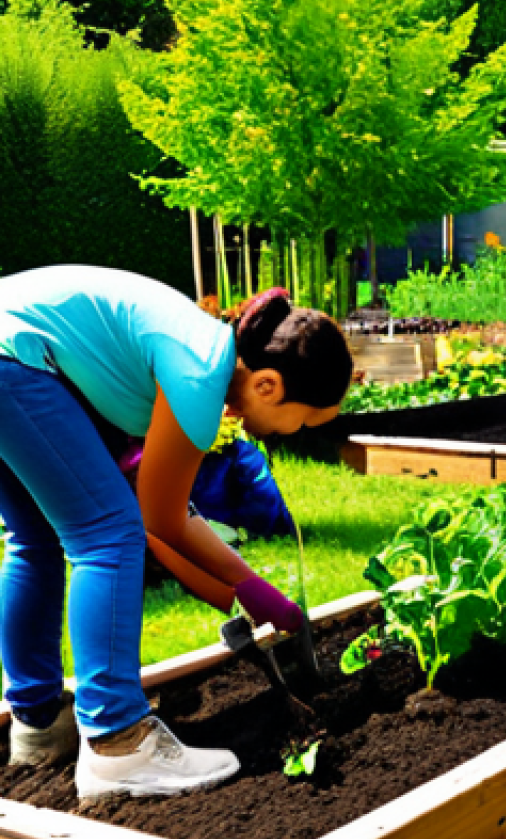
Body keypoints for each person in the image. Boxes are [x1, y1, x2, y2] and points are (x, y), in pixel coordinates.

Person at [0, 266, 352, 799]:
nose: (296, 434)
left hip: (13, 349)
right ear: (268, 385)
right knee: (106, 535)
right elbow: (160, 521)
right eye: (303, 421)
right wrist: (246, 589)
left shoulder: (195, 347)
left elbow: (160, 506)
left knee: (36, 539)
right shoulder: (199, 375)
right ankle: (118, 742)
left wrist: (241, 591)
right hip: (14, 362)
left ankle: (40, 724)